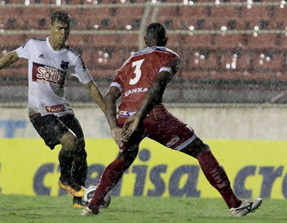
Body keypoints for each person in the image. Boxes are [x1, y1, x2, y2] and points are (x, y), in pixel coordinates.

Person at [82, 22, 262, 216]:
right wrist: (140, 116)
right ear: (166, 40)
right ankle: (235, 205)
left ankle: (92, 206)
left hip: (124, 117)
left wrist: (113, 127)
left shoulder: (130, 61)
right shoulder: (170, 57)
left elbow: (110, 96)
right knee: (201, 150)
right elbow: (157, 85)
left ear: (144, 40)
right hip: (151, 115)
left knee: (125, 157)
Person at [0, 11, 105, 208]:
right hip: (39, 111)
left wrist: (109, 114)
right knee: (70, 142)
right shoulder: (34, 46)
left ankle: (78, 199)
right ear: (51, 28)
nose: (63, 33)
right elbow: (12, 56)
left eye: (66, 29)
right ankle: (64, 179)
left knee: (81, 150)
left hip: (62, 109)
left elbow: (91, 87)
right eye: (59, 28)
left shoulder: (71, 57)